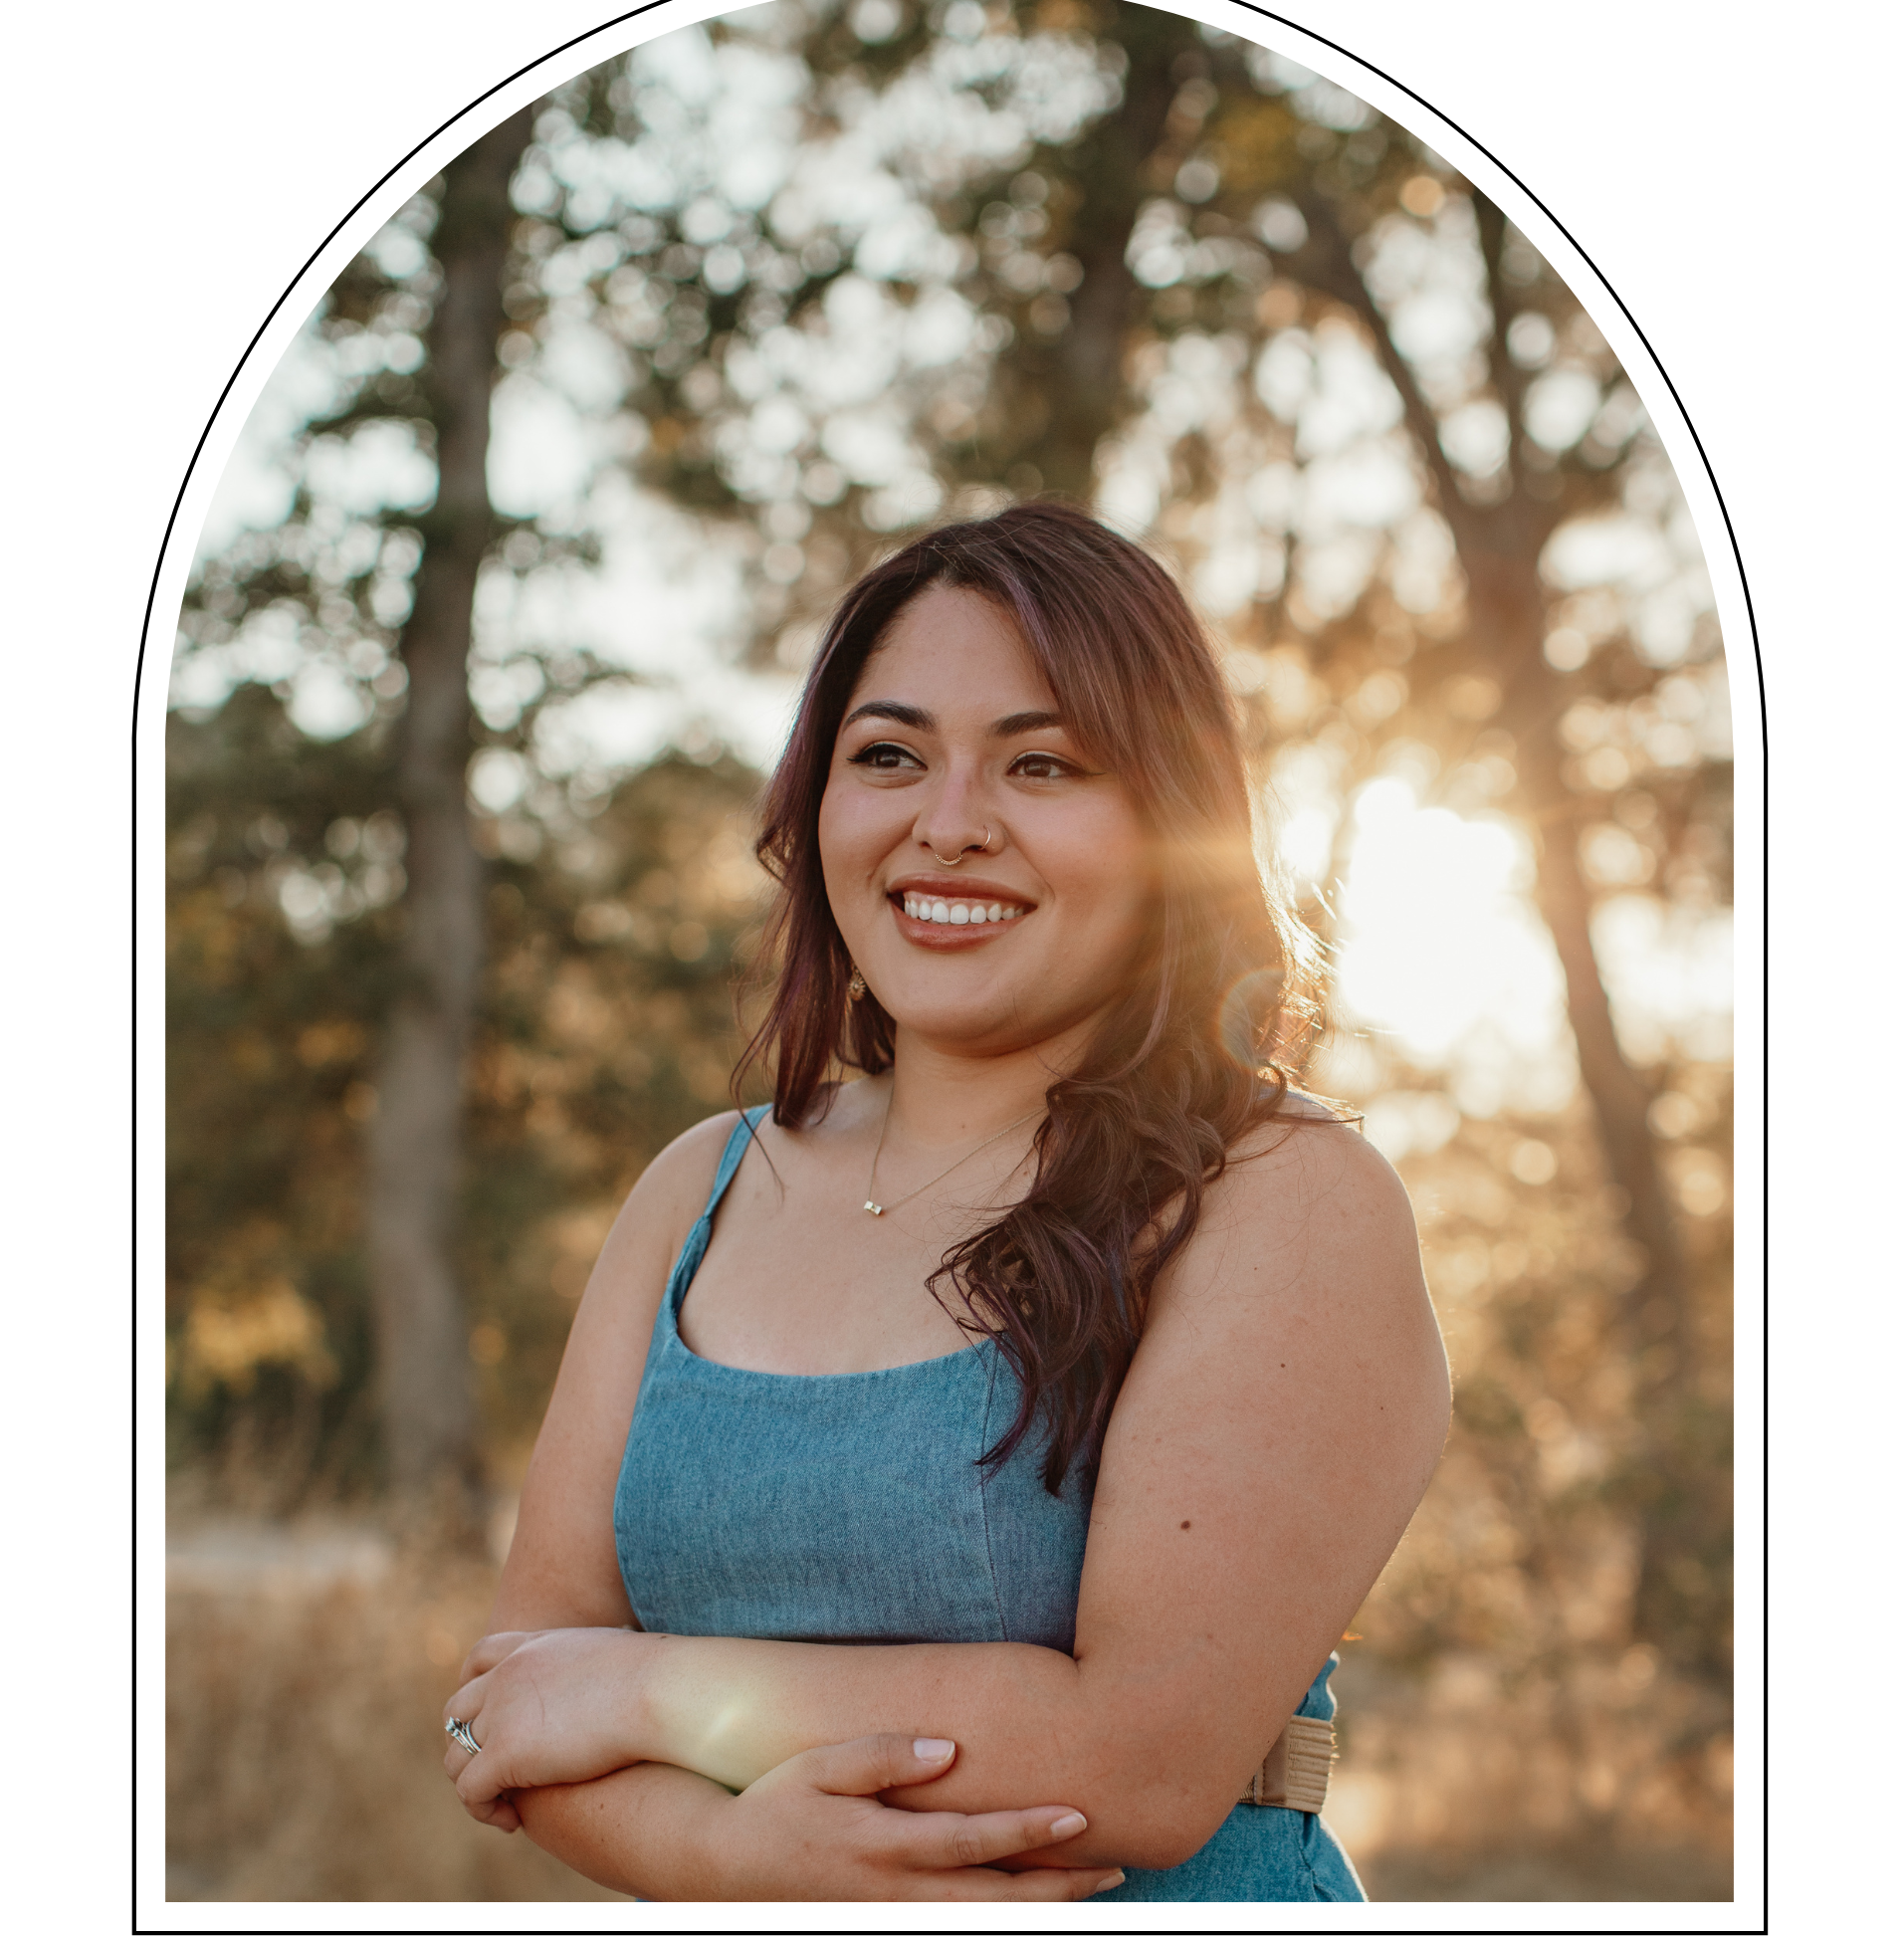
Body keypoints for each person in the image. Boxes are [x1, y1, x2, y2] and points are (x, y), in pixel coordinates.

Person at [439, 500, 1450, 1901]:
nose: (950, 825)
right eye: (890, 756)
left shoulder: (1283, 1197)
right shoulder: (700, 1186)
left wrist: (649, 1695)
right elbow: (515, 1707)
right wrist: (732, 1849)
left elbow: (1141, 1759)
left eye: (1042, 765)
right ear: (818, 806)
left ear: (1169, 819)